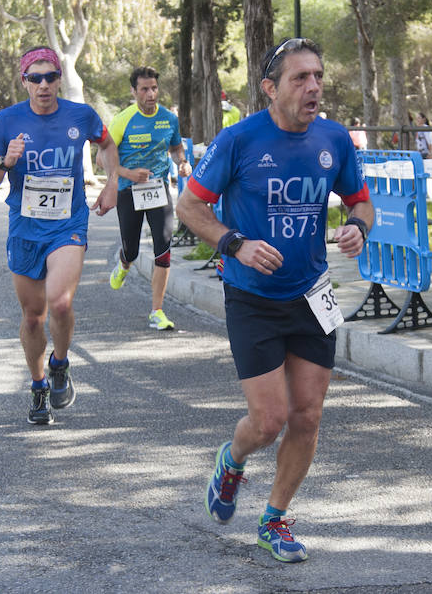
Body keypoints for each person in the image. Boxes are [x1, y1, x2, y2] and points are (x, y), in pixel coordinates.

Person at [176, 37, 373, 563]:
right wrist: (233, 243)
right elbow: (190, 205)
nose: (313, 87)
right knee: (269, 421)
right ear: (270, 88)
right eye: (299, 78)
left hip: (311, 295)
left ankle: (275, 518)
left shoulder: (334, 139)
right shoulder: (239, 140)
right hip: (253, 299)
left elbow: (360, 201)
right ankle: (233, 458)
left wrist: (356, 227)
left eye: (318, 77)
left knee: (307, 416)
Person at [0, 46, 119, 426]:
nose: (43, 85)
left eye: (50, 77)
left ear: (58, 79)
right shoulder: (6, 122)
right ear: (24, 82)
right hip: (25, 228)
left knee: (59, 302)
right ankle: (39, 385)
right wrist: (6, 162)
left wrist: (112, 184)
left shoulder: (81, 115)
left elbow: (106, 143)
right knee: (33, 316)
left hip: (67, 224)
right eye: (35, 78)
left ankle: (60, 363)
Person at [107, 66, 190, 330]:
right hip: (128, 191)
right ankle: (123, 262)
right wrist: (129, 173)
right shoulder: (122, 119)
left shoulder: (168, 118)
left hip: (158, 190)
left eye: (154, 88)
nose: (150, 93)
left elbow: (176, 147)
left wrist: (182, 162)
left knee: (163, 249)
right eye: (144, 89)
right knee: (131, 249)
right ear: (134, 91)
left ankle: (157, 311)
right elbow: (103, 158)